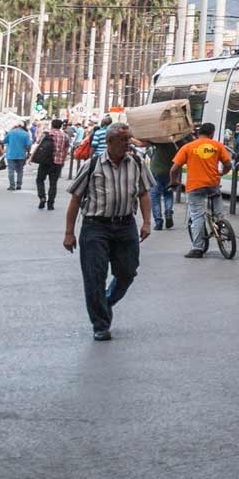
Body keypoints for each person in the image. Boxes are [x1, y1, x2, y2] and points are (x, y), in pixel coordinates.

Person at [61, 122, 153, 341]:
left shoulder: (137, 163)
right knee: (95, 275)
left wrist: (147, 222)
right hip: (95, 227)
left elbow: (144, 194)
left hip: (125, 225)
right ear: (110, 142)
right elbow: (75, 199)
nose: (128, 143)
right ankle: (100, 324)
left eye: (129, 139)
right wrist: (69, 232)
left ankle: (105, 301)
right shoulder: (93, 165)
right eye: (123, 140)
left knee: (127, 272)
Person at [171, 122, 233, 259]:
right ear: (212, 133)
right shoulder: (218, 146)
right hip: (213, 184)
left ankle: (197, 249)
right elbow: (228, 164)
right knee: (218, 211)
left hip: (195, 186)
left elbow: (174, 168)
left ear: (199, 133)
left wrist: (173, 181)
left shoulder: (188, 147)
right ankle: (221, 227)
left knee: (197, 216)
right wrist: (222, 172)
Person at [141, 133, 181, 231]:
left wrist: (131, 139)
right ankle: (168, 213)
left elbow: (141, 143)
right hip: (169, 172)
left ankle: (158, 222)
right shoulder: (174, 145)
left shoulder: (158, 143)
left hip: (156, 173)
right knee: (168, 193)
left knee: (155, 197)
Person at [32, 118, 72, 210]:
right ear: (61, 126)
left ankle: (42, 197)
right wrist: (63, 159)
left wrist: (32, 157)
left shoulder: (47, 134)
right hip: (58, 162)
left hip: (45, 161)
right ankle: (51, 204)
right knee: (53, 183)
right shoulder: (65, 136)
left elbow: (39, 146)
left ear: (52, 125)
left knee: (40, 179)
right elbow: (66, 149)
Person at [3, 121, 31, 191]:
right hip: (21, 154)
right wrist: (28, 152)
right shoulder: (25, 134)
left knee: (11, 170)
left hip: (11, 154)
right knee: (20, 170)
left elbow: (4, 141)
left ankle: (12, 185)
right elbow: (28, 145)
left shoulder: (11, 132)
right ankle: (19, 185)